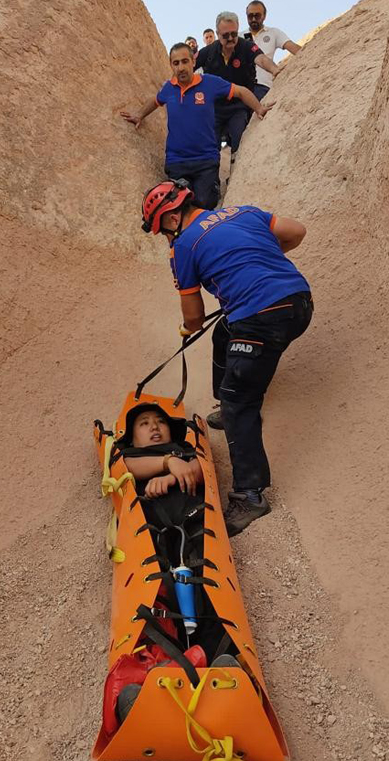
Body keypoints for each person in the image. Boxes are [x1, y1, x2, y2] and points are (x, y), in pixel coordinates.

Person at [139, 180, 314, 535]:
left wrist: (188, 330)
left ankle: (250, 495)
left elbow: (192, 316)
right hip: (299, 304)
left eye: (162, 231)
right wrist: (258, 264)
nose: (166, 238)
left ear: (171, 219)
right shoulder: (243, 212)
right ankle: (226, 399)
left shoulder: (184, 246)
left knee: (240, 400)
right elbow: (297, 232)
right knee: (224, 331)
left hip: (262, 319)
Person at [120, 43, 270, 210]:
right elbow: (155, 101)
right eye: (176, 63)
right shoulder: (169, 88)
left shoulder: (210, 83)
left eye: (185, 61)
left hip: (205, 161)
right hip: (177, 162)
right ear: (171, 65)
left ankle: (213, 187)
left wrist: (259, 108)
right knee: (178, 206)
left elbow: (241, 91)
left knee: (205, 203)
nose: (181, 67)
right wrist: (139, 115)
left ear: (193, 62)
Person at [192, 11, 281, 166]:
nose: (231, 38)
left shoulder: (246, 46)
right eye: (226, 35)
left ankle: (235, 178)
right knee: (210, 147)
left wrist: (275, 70)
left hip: (239, 104)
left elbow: (261, 59)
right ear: (218, 34)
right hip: (215, 108)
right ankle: (212, 183)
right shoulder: (208, 52)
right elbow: (189, 66)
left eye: (234, 34)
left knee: (240, 140)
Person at [242, 1, 300, 100]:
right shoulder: (238, 37)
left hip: (263, 86)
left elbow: (295, 49)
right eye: (250, 16)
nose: (254, 19)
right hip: (242, 88)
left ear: (264, 16)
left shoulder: (274, 33)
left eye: (257, 15)